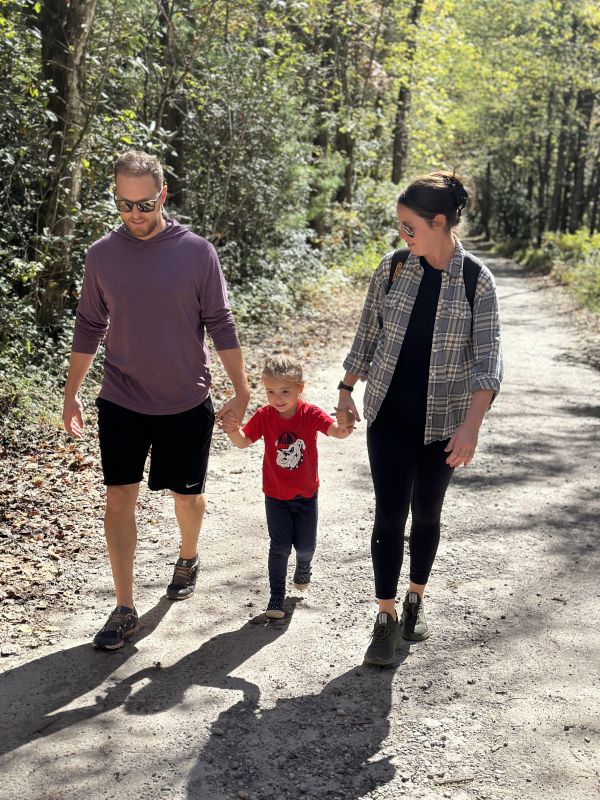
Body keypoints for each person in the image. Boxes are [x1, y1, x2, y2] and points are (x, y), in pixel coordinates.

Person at [62, 150, 250, 650]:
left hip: (185, 400)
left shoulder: (196, 253)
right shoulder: (102, 254)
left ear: (163, 195)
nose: (134, 215)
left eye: (143, 205)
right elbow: (89, 324)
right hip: (121, 398)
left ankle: (187, 555)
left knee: (186, 497)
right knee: (118, 497)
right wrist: (72, 392)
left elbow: (220, 322)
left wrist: (242, 386)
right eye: (124, 205)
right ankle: (124, 606)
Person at [336, 171, 503, 666]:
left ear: (438, 222)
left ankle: (415, 600)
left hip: (445, 423)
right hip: (388, 414)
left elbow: (488, 361)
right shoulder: (392, 269)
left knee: (427, 511)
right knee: (389, 513)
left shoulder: (477, 281)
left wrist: (471, 425)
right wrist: (346, 389)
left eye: (409, 227)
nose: (402, 236)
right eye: (399, 227)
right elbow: (367, 335)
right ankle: (384, 617)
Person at [224, 355, 354, 618]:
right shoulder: (264, 415)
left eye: (285, 391)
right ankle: (276, 596)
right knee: (279, 546)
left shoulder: (309, 414)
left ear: (299, 389)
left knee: (305, 546)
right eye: (270, 391)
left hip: (306, 495)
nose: (277, 398)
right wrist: (231, 429)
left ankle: (304, 564)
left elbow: (338, 433)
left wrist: (344, 424)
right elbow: (243, 442)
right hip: (275, 495)